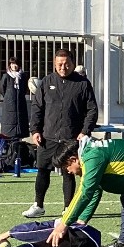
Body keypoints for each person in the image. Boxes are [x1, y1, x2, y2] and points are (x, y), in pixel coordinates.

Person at [24, 50, 98, 218]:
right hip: (47, 136)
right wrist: (35, 130)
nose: (63, 67)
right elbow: (37, 108)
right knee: (42, 170)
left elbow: (92, 110)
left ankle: (68, 208)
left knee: (68, 173)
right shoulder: (46, 82)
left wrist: (85, 131)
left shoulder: (83, 84)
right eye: (60, 64)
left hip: (70, 137)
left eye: (67, 64)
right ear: (54, 64)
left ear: (73, 64)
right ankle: (38, 205)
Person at [0, 58, 30, 171]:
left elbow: (25, 89)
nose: (14, 66)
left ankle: (20, 154)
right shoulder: (6, 76)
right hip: (9, 105)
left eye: (16, 64)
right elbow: (2, 89)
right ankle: (9, 155)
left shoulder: (23, 76)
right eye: (12, 64)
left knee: (20, 130)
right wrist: (9, 98)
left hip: (20, 105)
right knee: (9, 132)